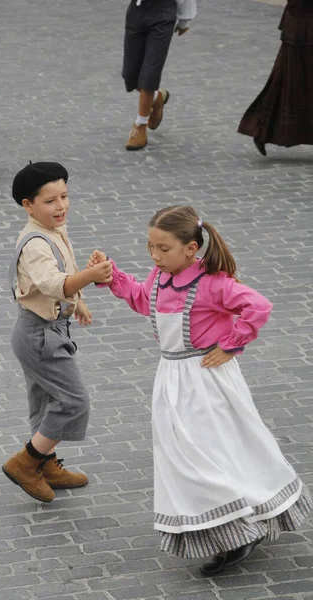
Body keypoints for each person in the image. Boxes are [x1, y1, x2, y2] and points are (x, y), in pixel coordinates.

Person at [88, 205, 312, 574]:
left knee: (210, 451)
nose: (155, 256)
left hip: (206, 380)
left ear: (191, 248)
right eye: (151, 247)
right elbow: (145, 301)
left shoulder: (213, 283)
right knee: (181, 452)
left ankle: (239, 528)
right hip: (171, 377)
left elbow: (258, 306)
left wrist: (232, 342)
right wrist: (112, 275)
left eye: (164, 249)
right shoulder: (159, 279)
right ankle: (232, 527)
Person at [2, 162, 113, 503]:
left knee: (46, 401)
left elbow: (64, 274)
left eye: (64, 196)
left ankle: (46, 465)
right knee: (73, 401)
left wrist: (76, 301)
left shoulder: (54, 230)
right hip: (39, 336)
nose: (60, 206)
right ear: (28, 205)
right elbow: (53, 284)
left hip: (45, 329)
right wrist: (92, 275)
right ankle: (26, 463)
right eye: (49, 201)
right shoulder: (35, 243)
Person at [238, 0, 313, 156]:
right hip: (301, 26)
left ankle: (261, 129)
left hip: (301, 23)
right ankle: (261, 129)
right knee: (287, 81)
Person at [123, 0, 197, 151]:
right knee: (130, 76)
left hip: (163, 13)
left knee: (150, 72)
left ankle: (140, 125)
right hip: (136, 11)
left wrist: (184, 20)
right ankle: (157, 98)